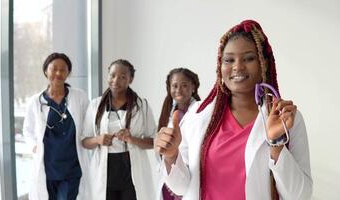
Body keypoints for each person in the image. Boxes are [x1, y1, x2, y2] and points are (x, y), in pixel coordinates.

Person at [154, 20, 313, 200]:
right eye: (229, 60)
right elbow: (181, 187)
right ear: (220, 67)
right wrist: (171, 156)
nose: (237, 66)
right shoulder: (198, 114)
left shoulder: (287, 118)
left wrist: (277, 145)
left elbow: (300, 195)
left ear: (264, 63)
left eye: (248, 58)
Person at [82, 59, 156, 200]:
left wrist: (131, 139)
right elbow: (84, 141)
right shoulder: (95, 105)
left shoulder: (142, 106)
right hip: (105, 172)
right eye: (112, 75)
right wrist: (98, 139)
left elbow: (153, 141)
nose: (116, 80)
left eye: (123, 77)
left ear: (131, 79)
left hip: (131, 172)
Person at [23, 53, 89, 200]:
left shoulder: (80, 97)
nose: (58, 73)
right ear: (46, 70)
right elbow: (27, 130)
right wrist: (34, 146)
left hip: (72, 167)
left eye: (63, 70)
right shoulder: (35, 101)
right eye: (54, 69)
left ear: (68, 73)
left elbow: (89, 125)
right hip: (48, 167)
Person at [156, 68, 201, 200]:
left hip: (189, 177)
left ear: (193, 87)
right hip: (168, 179)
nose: (179, 90)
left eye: (184, 85)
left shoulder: (200, 112)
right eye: (174, 86)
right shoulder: (168, 112)